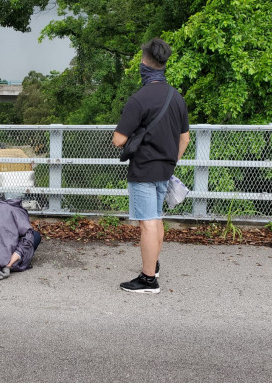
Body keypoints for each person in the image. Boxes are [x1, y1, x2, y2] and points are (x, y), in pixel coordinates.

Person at [112, 38, 190, 294]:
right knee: (156, 220)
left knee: (146, 223)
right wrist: (170, 161)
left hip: (144, 169)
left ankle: (148, 280)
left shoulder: (139, 99)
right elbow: (185, 138)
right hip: (165, 171)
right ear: (163, 64)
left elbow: (118, 140)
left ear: (144, 63)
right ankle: (153, 266)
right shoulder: (176, 97)